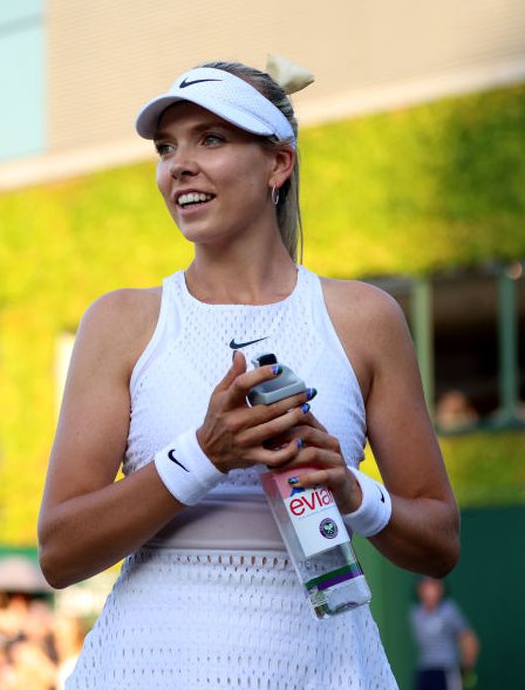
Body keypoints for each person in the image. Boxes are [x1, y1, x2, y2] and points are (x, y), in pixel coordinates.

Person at [38, 56, 460, 687]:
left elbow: (439, 543)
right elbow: (60, 552)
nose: (179, 164)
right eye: (166, 147)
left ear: (278, 163)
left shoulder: (365, 318)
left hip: (325, 667)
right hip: (148, 667)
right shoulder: (120, 321)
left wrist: (351, 491)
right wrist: (205, 454)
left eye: (211, 139)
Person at [410, 576, 479, 690]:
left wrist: (465, 670)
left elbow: (468, 639)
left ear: (441, 588)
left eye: (433, 585)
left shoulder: (449, 611)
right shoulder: (415, 614)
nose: (429, 590)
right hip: (424, 670)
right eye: (425, 585)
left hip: (446, 670)